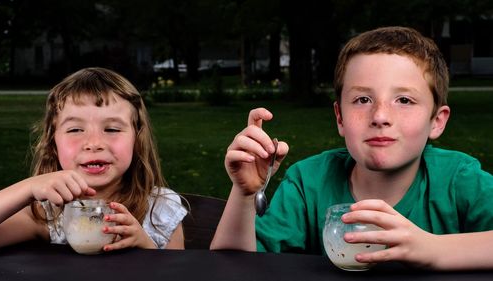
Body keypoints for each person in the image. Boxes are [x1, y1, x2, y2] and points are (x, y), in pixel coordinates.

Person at [210, 26, 493, 270]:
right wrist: (244, 195)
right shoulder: (309, 182)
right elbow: (232, 267)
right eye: (362, 100)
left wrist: (432, 249)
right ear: (340, 118)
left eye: (404, 100)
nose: (380, 116)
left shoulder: (459, 179)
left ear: (437, 121)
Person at [0, 67, 187, 251]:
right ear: (53, 144)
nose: (94, 143)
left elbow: (175, 273)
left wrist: (147, 248)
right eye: (75, 129)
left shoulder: (160, 210)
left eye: (112, 129)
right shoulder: (47, 213)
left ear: (137, 140)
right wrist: (27, 188)